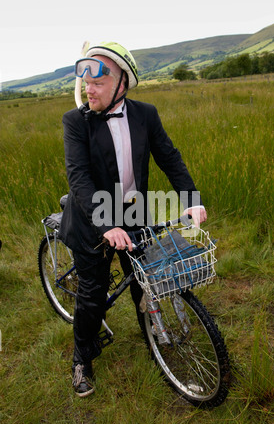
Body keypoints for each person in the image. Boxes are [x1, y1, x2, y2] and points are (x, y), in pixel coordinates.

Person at [59, 41, 207, 397]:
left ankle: (153, 332)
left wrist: (191, 200)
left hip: (133, 212)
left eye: (98, 82)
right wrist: (105, 224)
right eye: (86, 82)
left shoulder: (145, 114)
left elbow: (169, 157)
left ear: (122, 83)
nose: (88, 90)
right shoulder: (75, 122)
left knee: (146, 279)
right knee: (93, 295)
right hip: (93, 219)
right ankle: (82, 359)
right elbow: (78, 177)